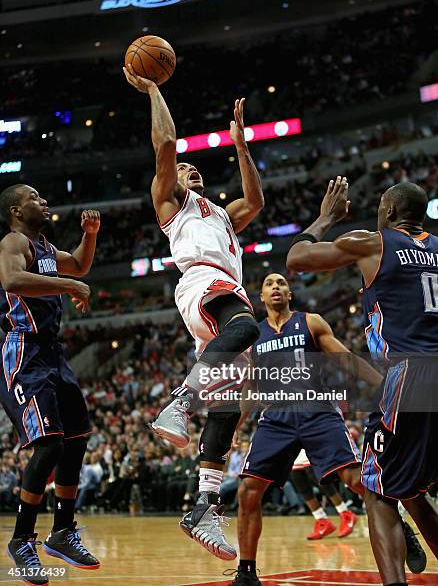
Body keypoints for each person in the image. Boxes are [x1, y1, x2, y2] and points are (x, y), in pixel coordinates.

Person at [123, 65, 264, 560]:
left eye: (191, 169)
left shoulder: (221, 213)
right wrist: (155, 90)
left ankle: (204, 506)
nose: (189, 170)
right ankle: (180, 399)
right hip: (205, 282)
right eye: (185, 169)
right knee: (248, 325)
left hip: (218, 296)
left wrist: (240, 146)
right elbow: (165, 147)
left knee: (227, 412)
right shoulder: (170, 205)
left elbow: (255, 200)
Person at [286, 177, 437, 586]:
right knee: (412, 487)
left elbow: (297, 259)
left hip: (410, 373)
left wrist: (323, 219)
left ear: (387, 211)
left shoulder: (374, 242)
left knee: (377, 490)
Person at [231, 272, 426, 586]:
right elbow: (250, 388)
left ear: (290, 293)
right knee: (247, 491)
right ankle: (247, 572)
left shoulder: (311, 322)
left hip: (317, 410)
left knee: (357, 482)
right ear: (262, 298)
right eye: (269, 284)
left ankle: (401, 526)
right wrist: (233, 428)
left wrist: (386, 385)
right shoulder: (254, 335)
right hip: (276, 417)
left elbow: (345, 359)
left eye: (281, 283)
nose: (276, 287)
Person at [0, 185, 100, 585]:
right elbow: (10, 280)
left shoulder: (43, 248)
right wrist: (69, 286)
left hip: (52, 353)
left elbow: (78, 264)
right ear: (15, 209)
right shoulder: (12, 241)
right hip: (22, 350)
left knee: (76, 437)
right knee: (50, 443)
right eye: (35, 197)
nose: (44, 201)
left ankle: (62, 531)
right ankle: (22, 539)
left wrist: (89, 236)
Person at [290, 449, 358, 539]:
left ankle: (345, 513)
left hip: (309, 440)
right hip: (292, 441)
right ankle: (321, 519)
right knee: (298, 479)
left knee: (316, 476)